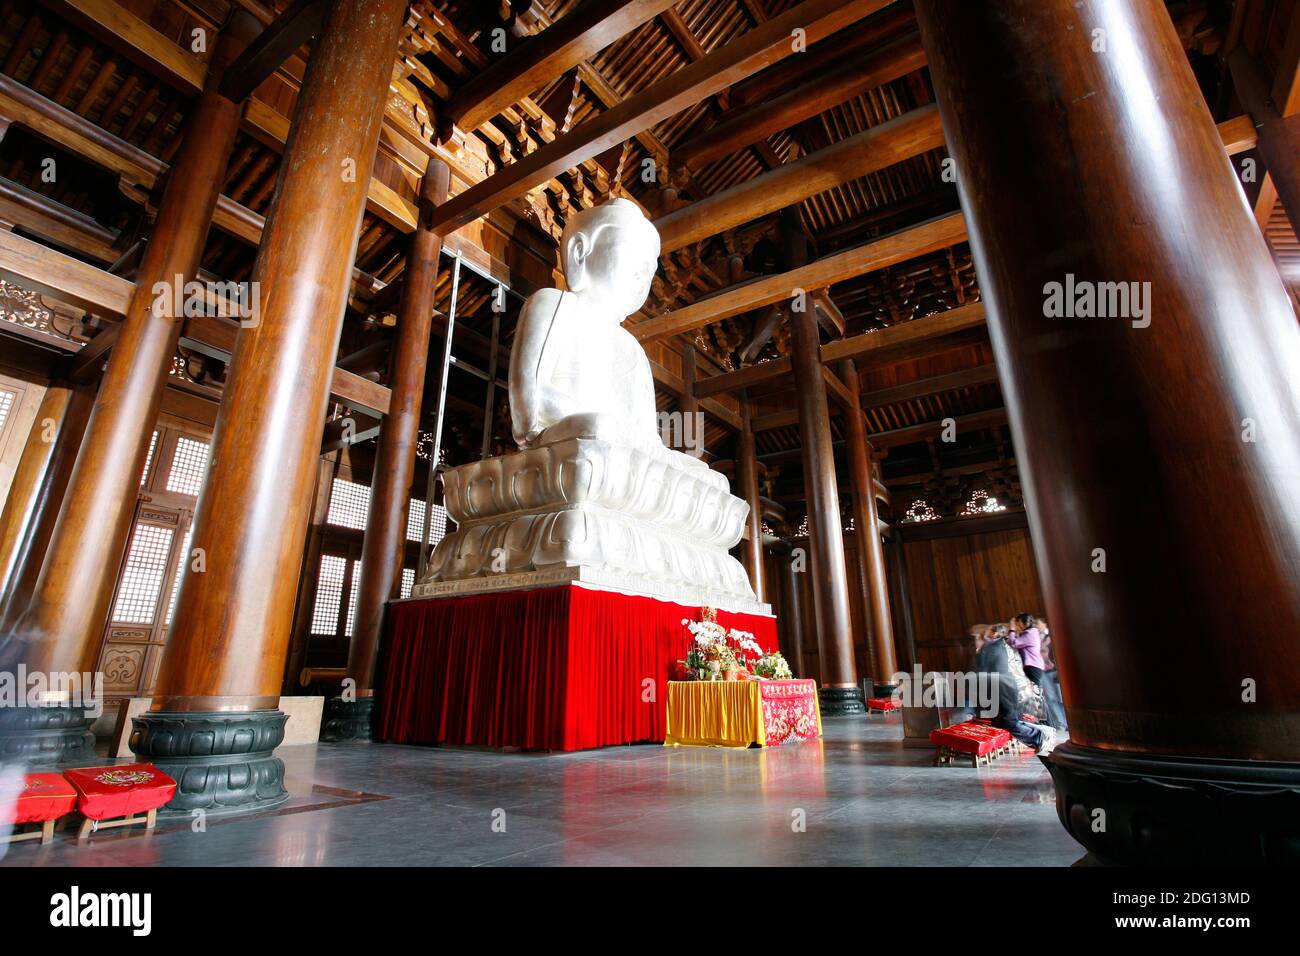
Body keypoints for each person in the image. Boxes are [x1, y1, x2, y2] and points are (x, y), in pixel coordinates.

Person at [975, 626, 1056, 754]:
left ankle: (1039, 736)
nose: (977, 638)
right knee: (1004, 721)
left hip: (1003, 691)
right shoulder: (1002, 646)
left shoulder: (993, 648)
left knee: (1009, 721)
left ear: (994, 634)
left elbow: (992, 672)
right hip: (1007, 689)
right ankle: (1040, 733)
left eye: (977, 636)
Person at [1036, 617, 1069, 732]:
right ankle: (1061, 722)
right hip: (1044, 670)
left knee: (1061, 697)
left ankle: (1068, 722)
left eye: (1039, 624)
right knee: (1050, 698)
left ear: (1045, 624)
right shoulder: (1037, 638)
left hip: (1055, 669)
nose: (1037, 626)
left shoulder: (1051, 636)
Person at [1007, 612, 1046, 686]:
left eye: (1017, 623)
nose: (1017, 626)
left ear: (1022, 623)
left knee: (1036, 690)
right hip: (1032, 665)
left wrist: (1012, 629)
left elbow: (1013, 643)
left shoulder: (1030, 634)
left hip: (1033, 666)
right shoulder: (1030, 633)